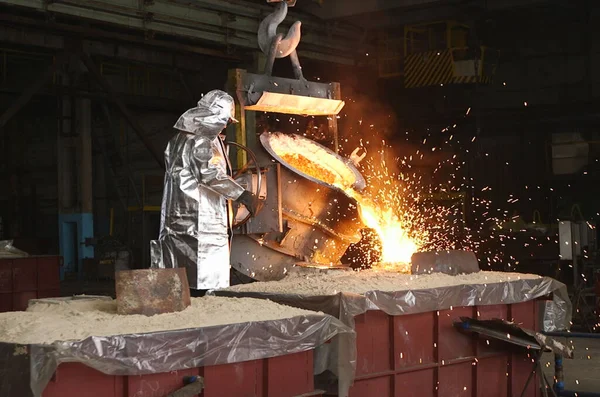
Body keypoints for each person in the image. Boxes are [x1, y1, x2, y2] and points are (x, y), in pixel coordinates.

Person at [150, 90, 259, 295]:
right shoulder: (202, 139)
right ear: (216, 115)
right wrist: (242, 195)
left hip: (178, 213)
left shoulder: (178, 139)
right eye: (226, 119)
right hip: (203, 214)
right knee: (207, 277)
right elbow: (209, 174)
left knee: (180, 269)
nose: (226, 124)